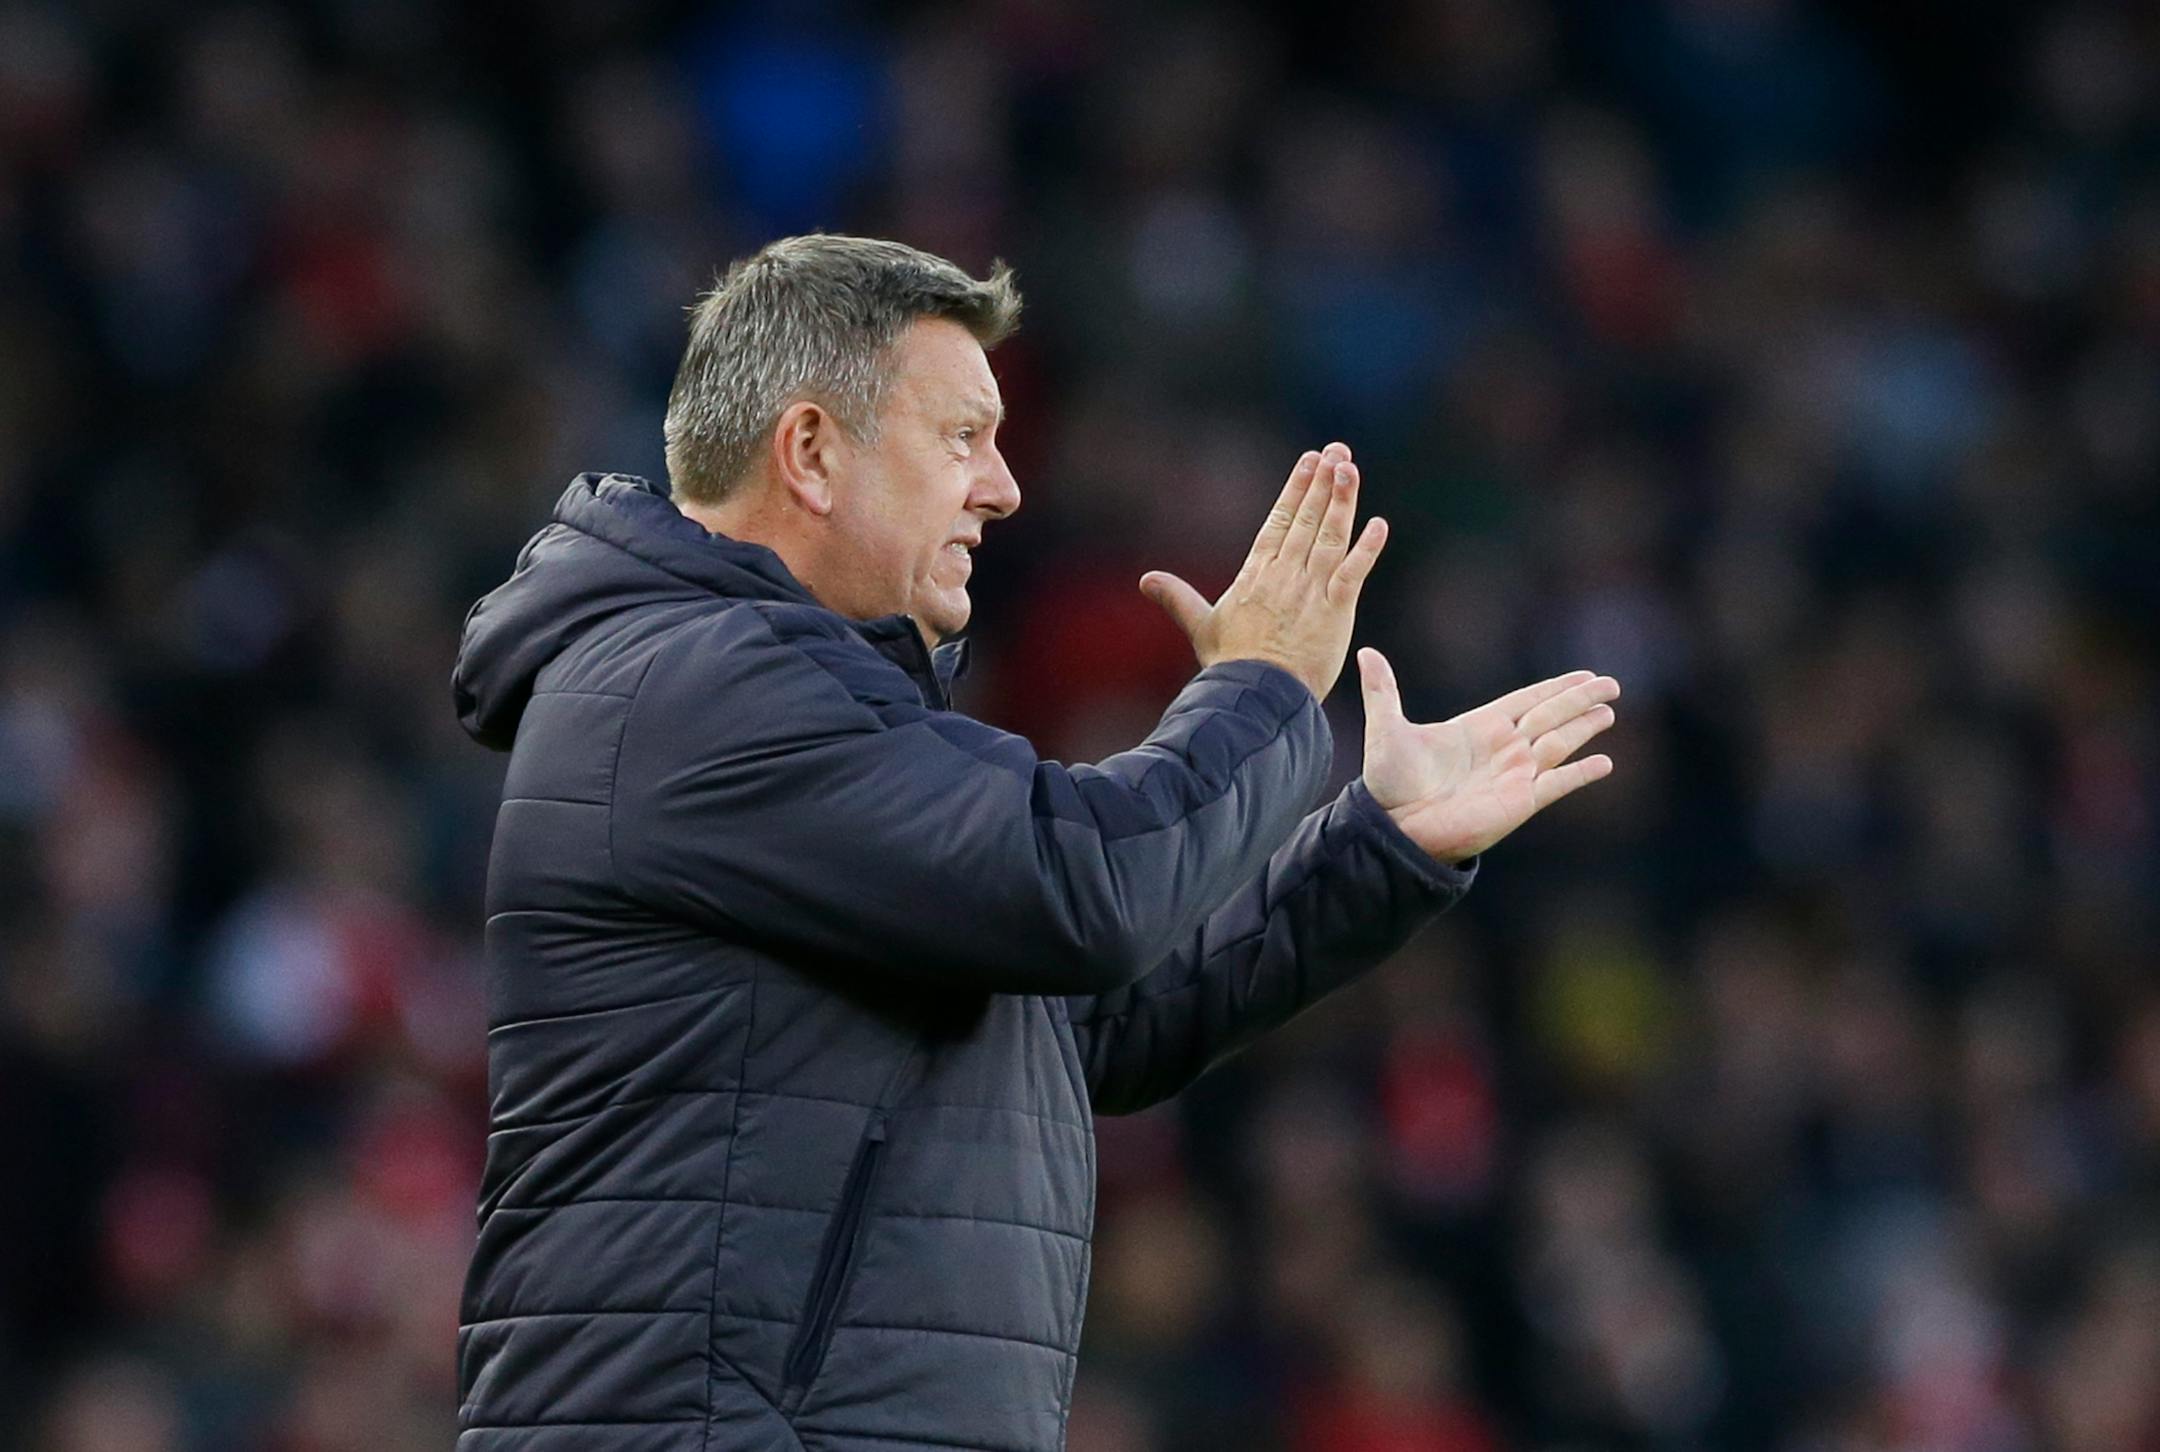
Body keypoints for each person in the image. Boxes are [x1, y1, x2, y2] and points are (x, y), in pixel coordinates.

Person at [449, 234, 1618, 1452]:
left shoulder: (781, 705)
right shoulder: (694, 686)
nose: (1004, 486)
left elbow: (1081, 1023)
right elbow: (1086, 888)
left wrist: (1374, 848)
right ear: (809, 453)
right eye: (961, 437)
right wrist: (1265, 683)